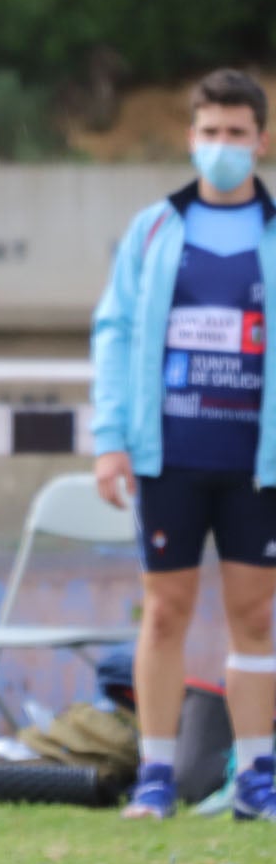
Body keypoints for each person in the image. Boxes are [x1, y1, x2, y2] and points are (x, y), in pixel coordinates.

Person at [91, 68, 276, 822]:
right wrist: (111, 440)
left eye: (237, 133)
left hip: (254, 461)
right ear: (191, 137)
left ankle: (257, 776)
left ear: (260, 141)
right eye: (210, 132)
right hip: (169, 451)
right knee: (164, 611)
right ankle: (157, 776)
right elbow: (116, 331)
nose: (223, 146)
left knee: (255, 616)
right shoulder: (156, 229)